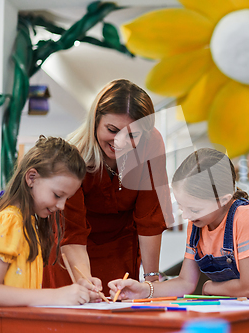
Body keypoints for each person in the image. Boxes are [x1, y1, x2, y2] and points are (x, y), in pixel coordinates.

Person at [43, 79, 173, 296]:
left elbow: (149, 218)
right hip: (73, 254)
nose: (121, 142)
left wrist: (152, 284)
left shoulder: (151, 144)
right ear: (95, 121)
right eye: (112, 130)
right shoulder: (73, 157)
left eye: (133, 135)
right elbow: (72, 233)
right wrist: (86, 283)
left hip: (121, 248)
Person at [108, 148, 249, 300]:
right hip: (239, 305)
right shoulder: (196, 223)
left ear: (223, 199)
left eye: (195, 209)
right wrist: (143, 290)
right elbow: (185, 283)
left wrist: (210, 286)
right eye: (182, 207)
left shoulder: (245, 218)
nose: (188, 216)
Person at [0, 136, 97, 333]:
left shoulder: (31, 222)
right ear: (31, 178)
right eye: (58, 195)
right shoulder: (9, 221)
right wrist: (56, 296)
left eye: (66, 198)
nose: (61, 206)